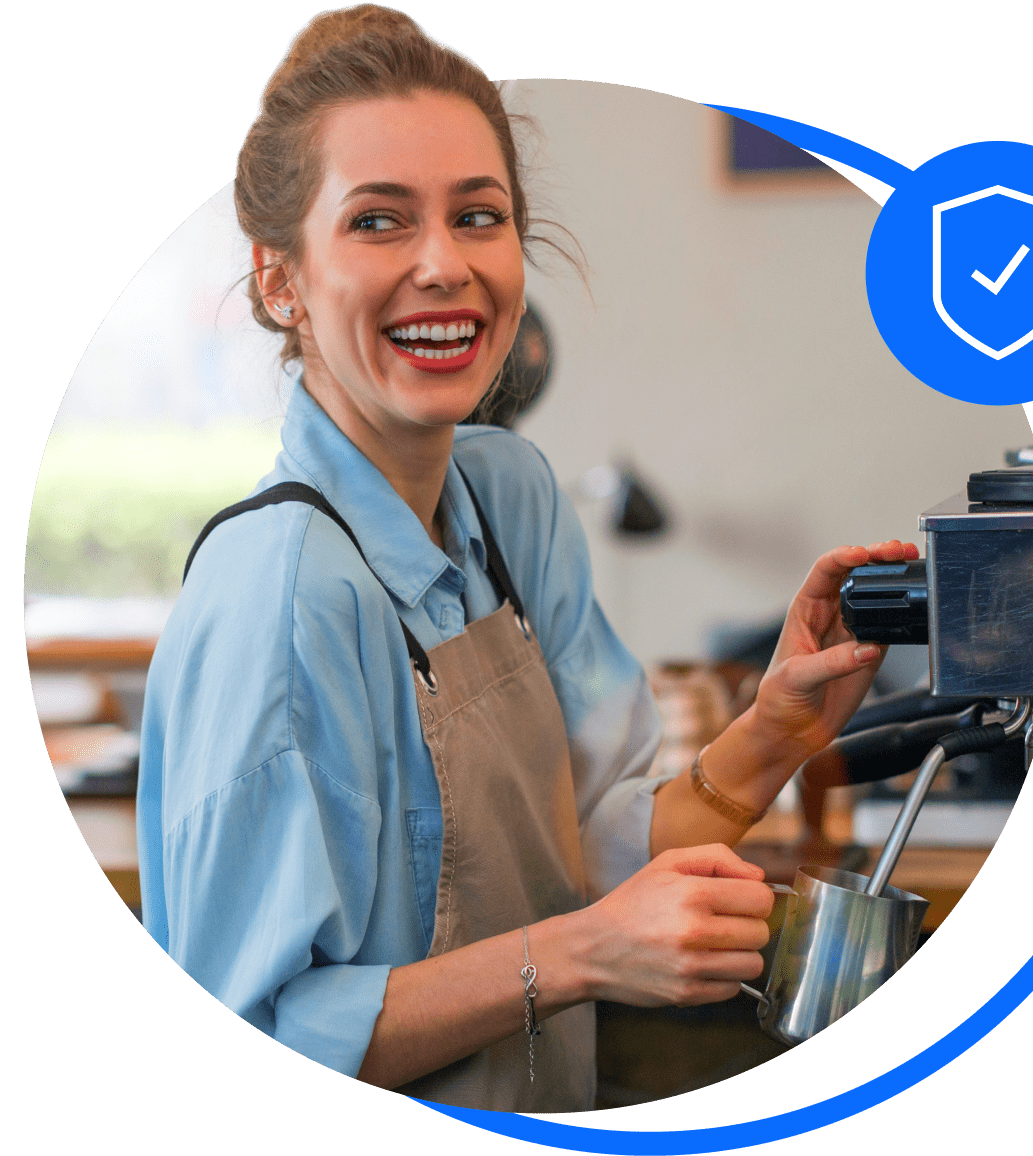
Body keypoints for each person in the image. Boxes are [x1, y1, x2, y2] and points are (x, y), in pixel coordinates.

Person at [136, 5, 919, 1113]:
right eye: (377, 222)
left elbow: (593, 848)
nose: (443, 265)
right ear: (281, 282)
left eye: (479, 215)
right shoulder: (282, 595)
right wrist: (583, 956)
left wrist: (779, 729)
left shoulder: (507, 499)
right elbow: (252, 1040)